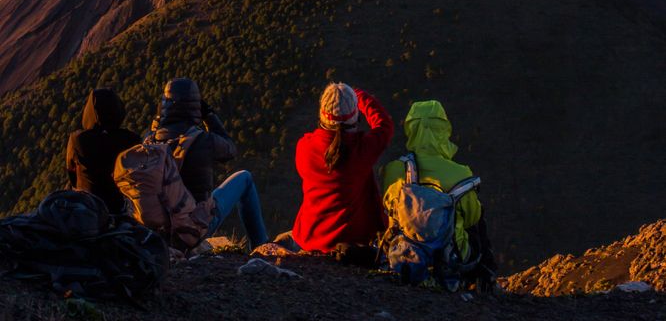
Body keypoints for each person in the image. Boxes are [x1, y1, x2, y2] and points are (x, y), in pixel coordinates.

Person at [381, 100, 496, 288]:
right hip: (451, 256)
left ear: (411, 129)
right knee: (477, 218)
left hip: (403, 254)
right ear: (444, 129)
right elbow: (471, 217)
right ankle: (485, 276)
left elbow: (388, 207)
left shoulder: (394, 170)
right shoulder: (462, 174)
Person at [148, 77, 268, 250]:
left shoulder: (148, 142)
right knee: (245, 178)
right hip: (194, 227)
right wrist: (209, 116)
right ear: (195, 106)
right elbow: (230, 150)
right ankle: (260, 246)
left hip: (158, 230)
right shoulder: (204, 140)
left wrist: (160, 118)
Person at [290, 82, 393, 253]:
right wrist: (357, 95)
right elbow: (384, 125)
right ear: (355, 116)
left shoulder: (305, 147)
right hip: (355, 241)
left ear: (322, 116)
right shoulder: (363, 151)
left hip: (311, 239)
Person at [66, 88, 141, 214]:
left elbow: (71, 175)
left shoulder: (79, 140)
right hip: (123, 209)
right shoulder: (132, 140)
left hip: (89, 210)